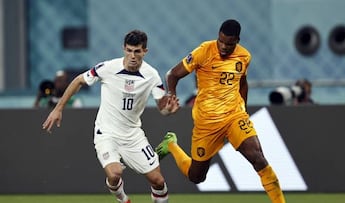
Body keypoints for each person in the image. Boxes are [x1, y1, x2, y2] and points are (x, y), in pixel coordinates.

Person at [155, 19, 286, 203]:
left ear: (237, 40)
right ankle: (171, 145)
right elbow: (173, 74)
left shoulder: (244, 57)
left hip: (234, 117)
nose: (223, 47)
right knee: (196, 176)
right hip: (206, 122)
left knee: (258, 159)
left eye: (229, 44)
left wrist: (244, 111)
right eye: (221, 41)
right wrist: (171, 95)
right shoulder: (204, 51)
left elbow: (242, 83)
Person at [42, 30, 179, 203]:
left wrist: (169, 110)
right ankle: (122, 199)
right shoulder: (107, 68)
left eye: (137, 51)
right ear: (123, 49)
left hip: (133, 135)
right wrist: (58, 109)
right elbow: (78, 80)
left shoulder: (151, 75)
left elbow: (162, 107)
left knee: (158, 181)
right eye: (129, 50)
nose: (132, 56)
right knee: (115, 174)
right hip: (106, 133)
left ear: (145, 51)